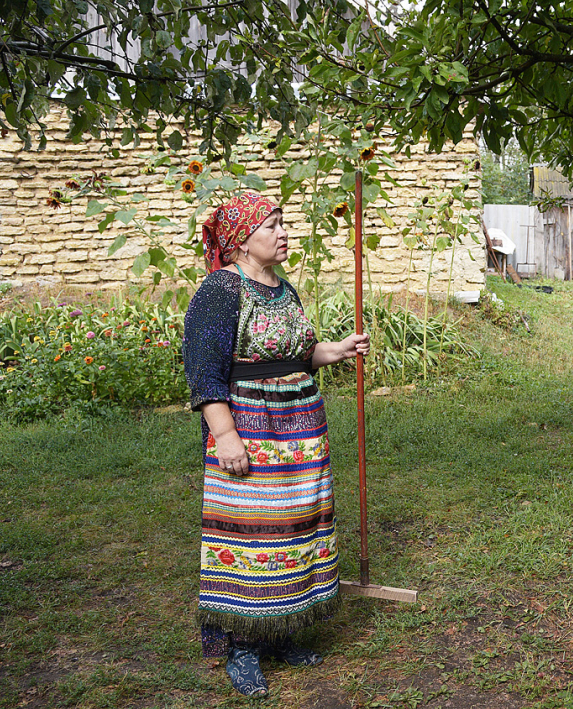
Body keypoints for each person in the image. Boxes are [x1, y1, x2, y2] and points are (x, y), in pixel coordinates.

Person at [183, 192, 370, 698]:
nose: (283, 232)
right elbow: (203, 372)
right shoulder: (221, 291)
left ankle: (282, 631)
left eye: (283, 223)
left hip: (300, 427)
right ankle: (243, 646)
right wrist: (225, 435)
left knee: (295, 528)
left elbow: (300, 354)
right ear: (242, 241)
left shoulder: (283, 289)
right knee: (251, 535)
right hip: (252, 428)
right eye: (272, 225)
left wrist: (338, 350)